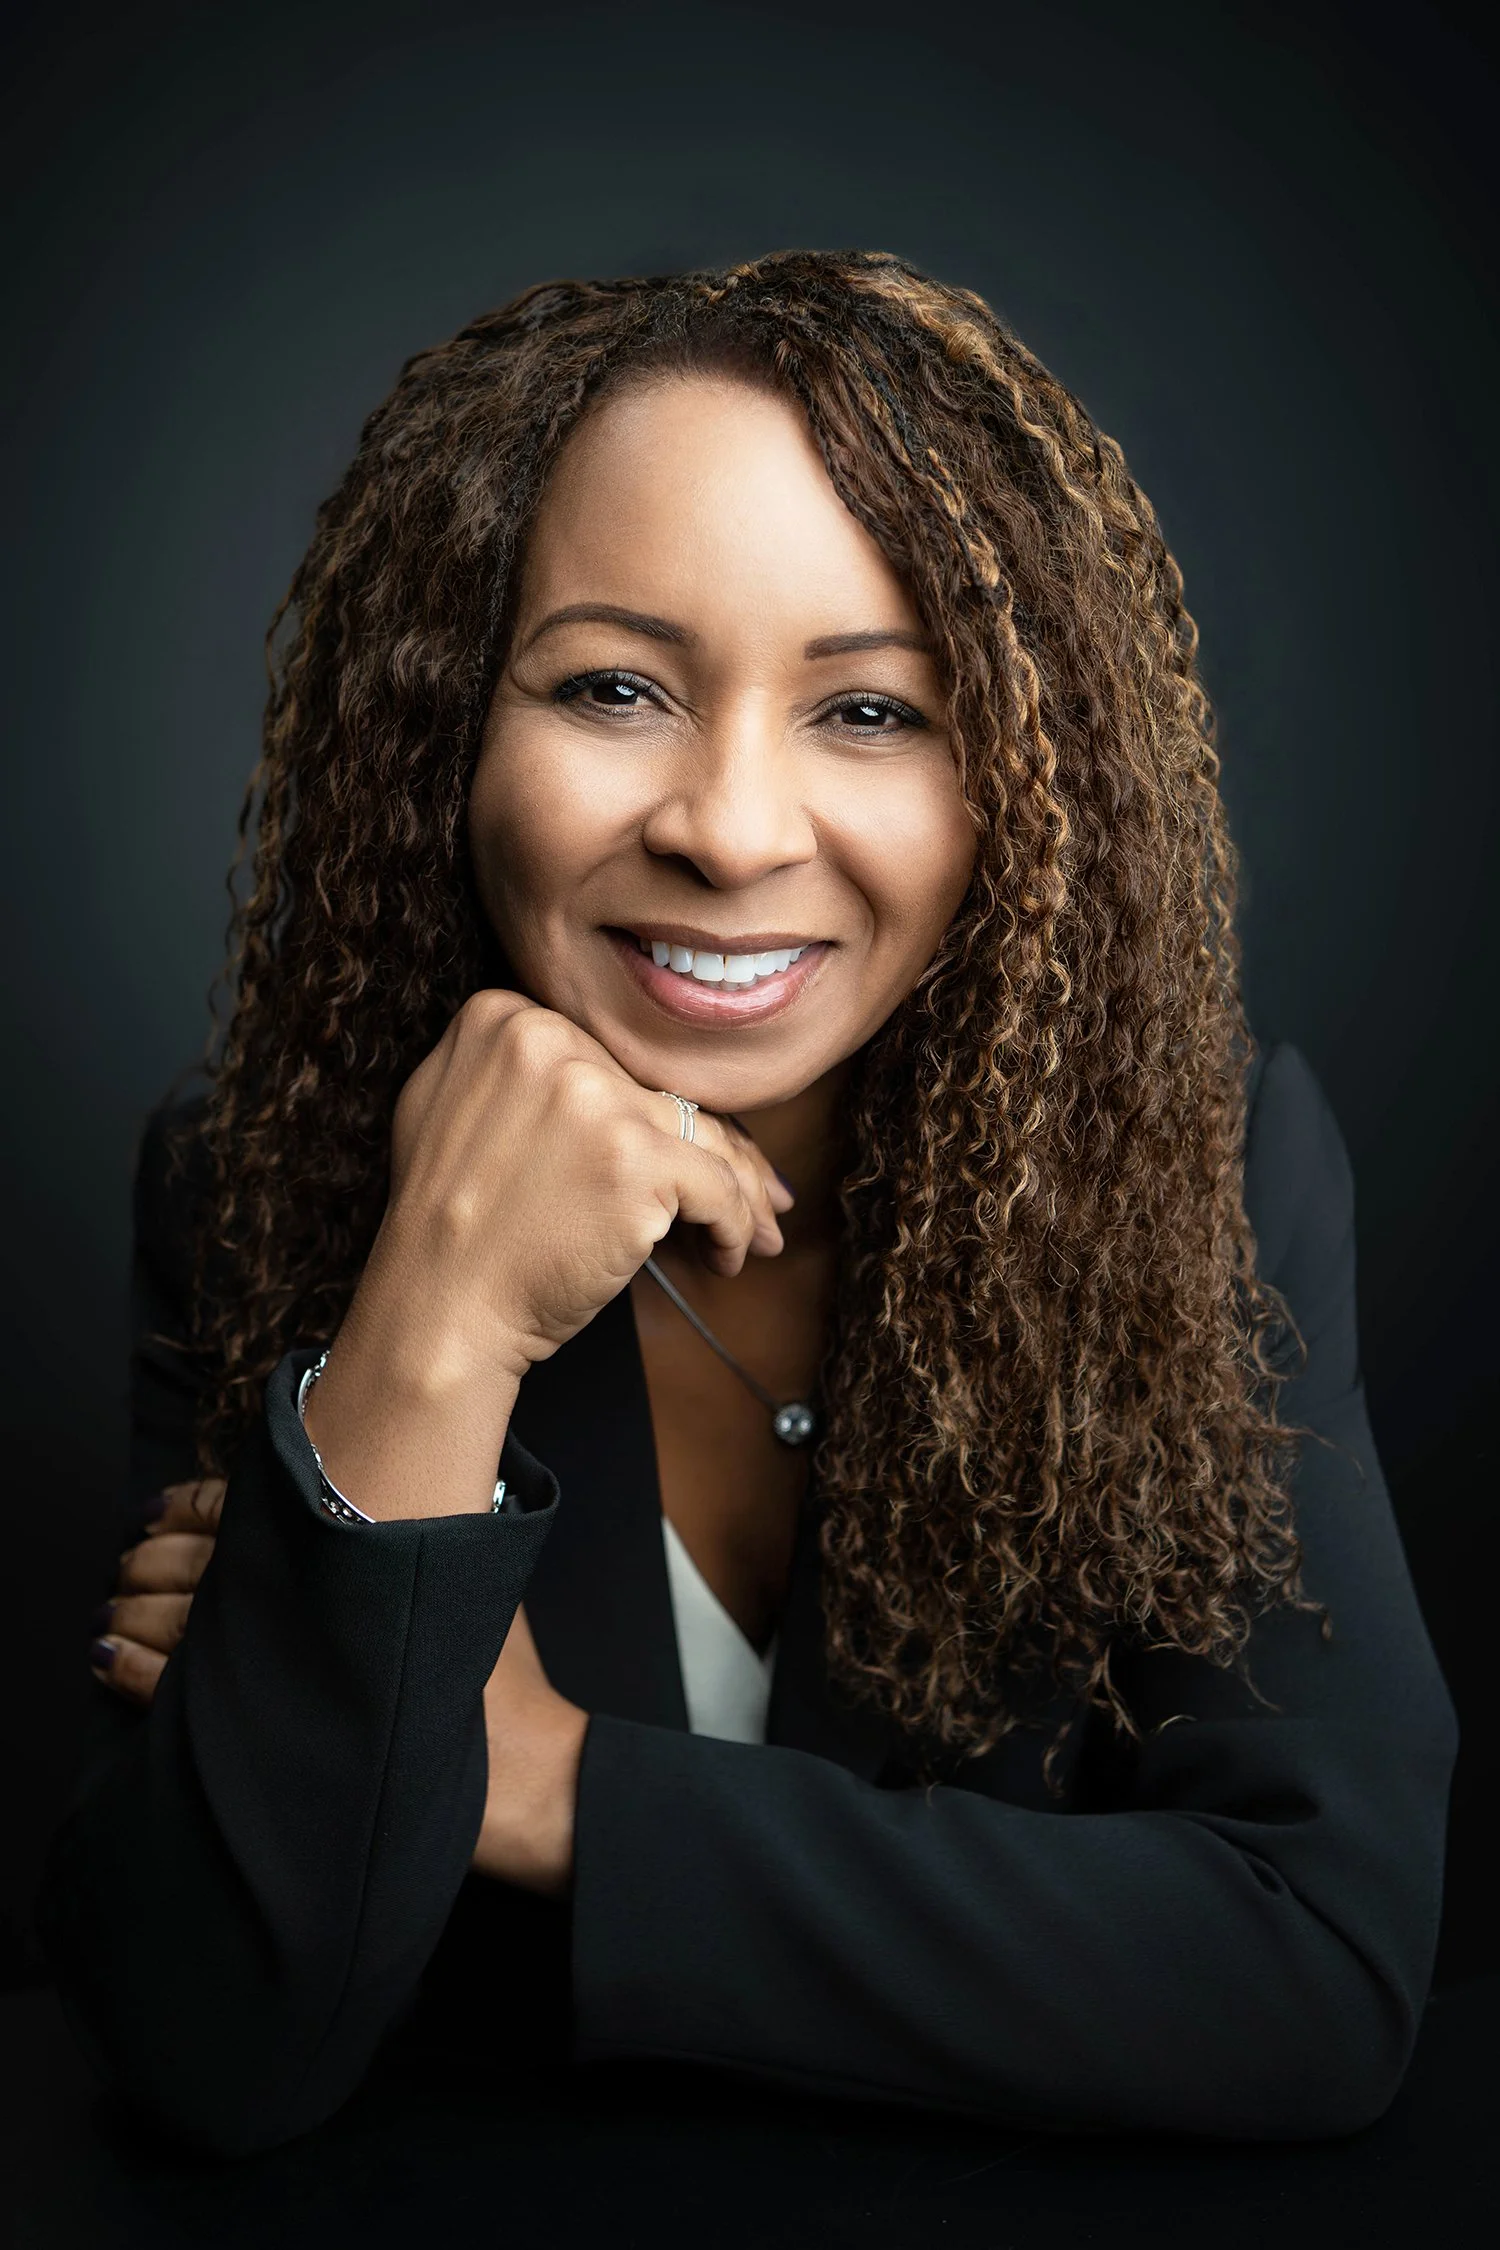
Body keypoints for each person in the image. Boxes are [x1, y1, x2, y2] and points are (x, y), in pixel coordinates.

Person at [39, 249, 1458, 2157]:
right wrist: (432, 1326)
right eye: (613, 685)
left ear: (1020, 787)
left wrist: (544, 1786)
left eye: (870, 713)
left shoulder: (1207, 1177)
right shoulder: (250, 1179)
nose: (727, 824)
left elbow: (1315, 1968)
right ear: (451, 730)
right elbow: (213, 2051)